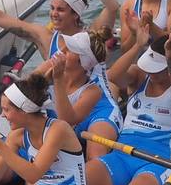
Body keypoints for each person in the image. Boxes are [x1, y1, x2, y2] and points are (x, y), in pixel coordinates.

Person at [86, 21, 171, 185]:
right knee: (79, 184)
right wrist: (138, 45)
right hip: (122, 155)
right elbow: (112, 76)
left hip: (159, 164)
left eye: (157, 69)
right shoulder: (138, 77)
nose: (151, 73)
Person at [46, 30, 120, 160]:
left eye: (69, 49)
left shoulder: (92, 91)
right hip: (74, 116)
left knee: (95, 157)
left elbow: (65, 121)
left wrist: (57, 80)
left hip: (99, 113)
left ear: (82, 62)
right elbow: (25, 90)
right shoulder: (52, 67)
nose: (62, 50)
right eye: (65, 46)